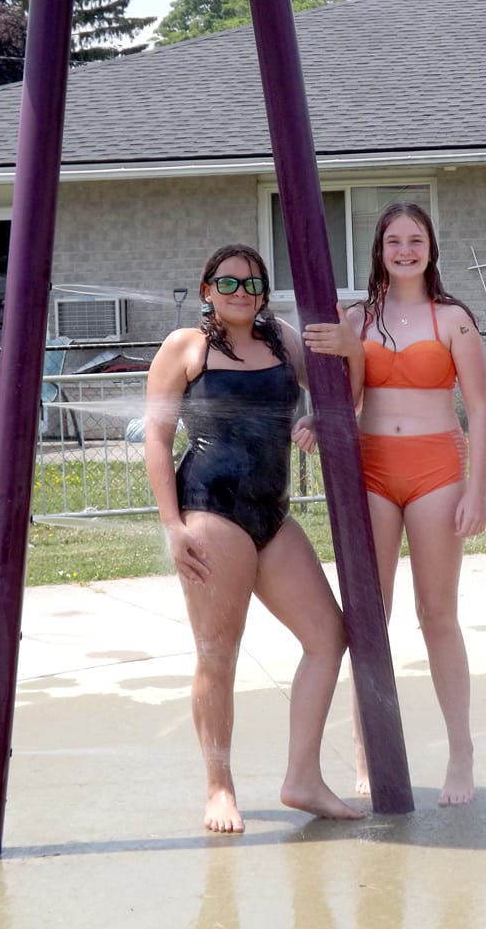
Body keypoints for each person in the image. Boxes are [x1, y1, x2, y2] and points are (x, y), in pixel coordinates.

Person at [144, 243, 365, 832]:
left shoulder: (283, 340)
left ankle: (303, 778)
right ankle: (219, 788)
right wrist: (172, 526)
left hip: (272, 512)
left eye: (252, 283)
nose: (241, 292)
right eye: (228, 282)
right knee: (218, 653)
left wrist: (341, 375)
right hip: (212, 511)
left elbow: (345, 391)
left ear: (265, 292)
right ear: (207, 289)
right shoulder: (184, 348)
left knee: (329, 636)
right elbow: (157, 440)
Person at [304, 202, 486, 805]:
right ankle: (369, 751)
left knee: (437, 615)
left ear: (431, 248)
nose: (405, 249)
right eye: (394, 240)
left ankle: (460, 753)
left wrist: (479, 490)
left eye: (416, 239)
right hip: (372, 470)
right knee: (370, 619)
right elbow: (347, 393)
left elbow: (483, 412)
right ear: (379, 250)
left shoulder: (453, 318)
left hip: (438, 470)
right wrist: (318, 417)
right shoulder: (358, 318)